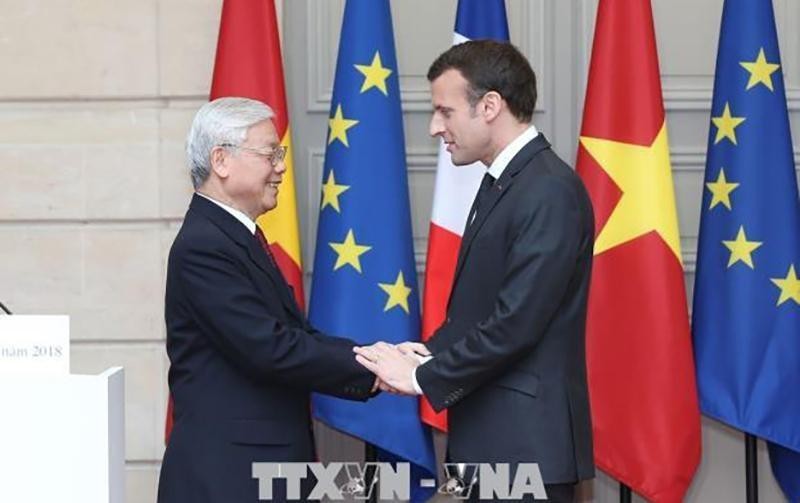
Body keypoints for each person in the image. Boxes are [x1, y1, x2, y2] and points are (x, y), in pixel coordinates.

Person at [355, 40, 595, 502]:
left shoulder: (547, 191)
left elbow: (517, 322)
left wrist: (421, 378)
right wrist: (424, 353)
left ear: (489, 106)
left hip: (524, 449)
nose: (434, 127)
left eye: (445, 111)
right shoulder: (508, 183)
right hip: (496, 443)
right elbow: (481, 311)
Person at [157, 97, 376, 503]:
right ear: (221, 160)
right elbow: (271, 347)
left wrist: (371, 357)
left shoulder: (236, 237)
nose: (281, 166)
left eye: (281, 153)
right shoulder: (205, 246)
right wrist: (376, 369)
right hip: (229, 478)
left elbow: (296, 334)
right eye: (270, 153)